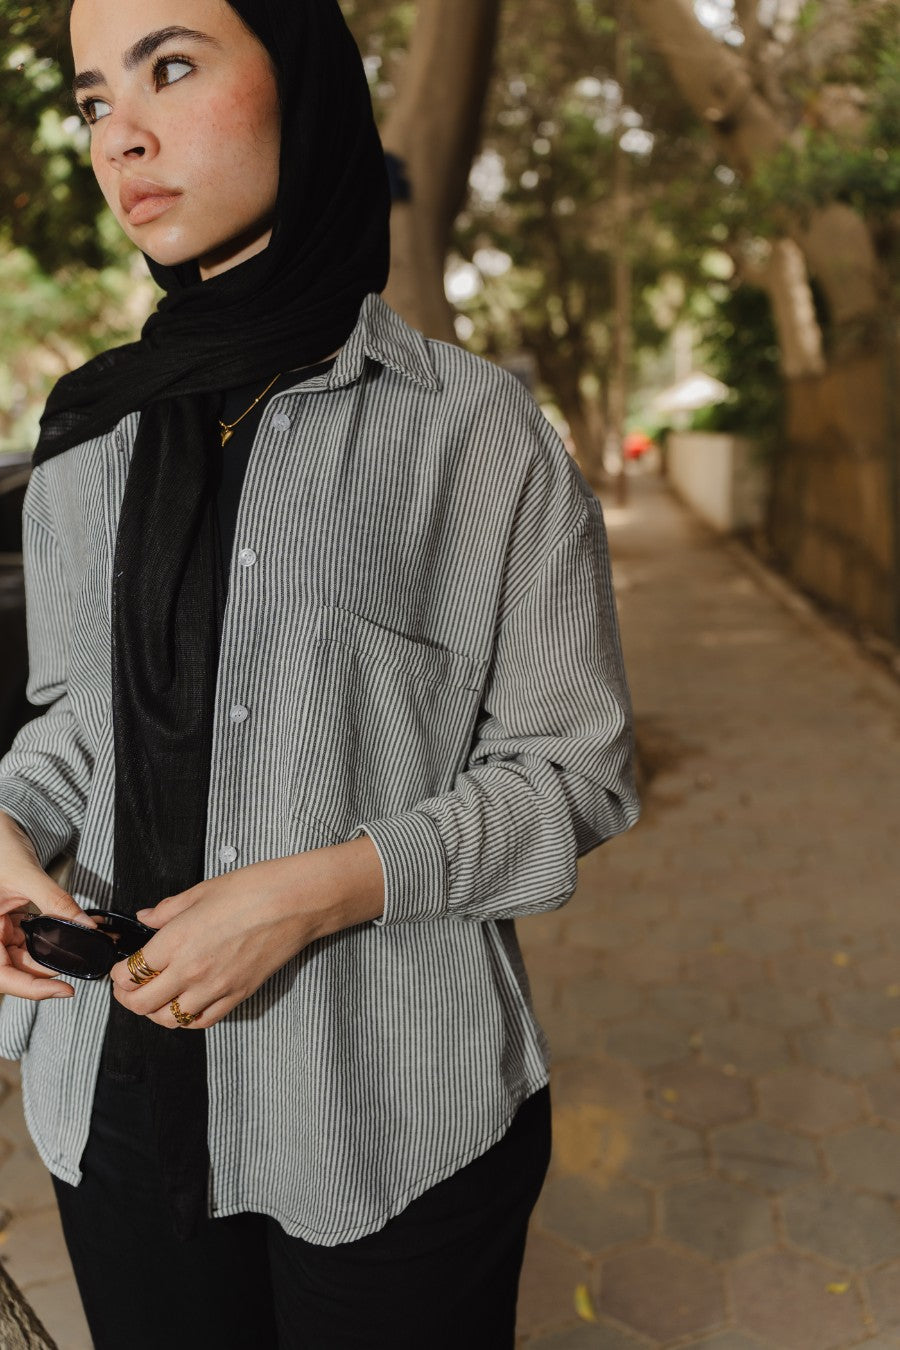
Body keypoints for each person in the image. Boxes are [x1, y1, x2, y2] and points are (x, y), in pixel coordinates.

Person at [0, 1, 640, 1346]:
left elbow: (570, 770)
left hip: (385, 1111)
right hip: (113, 1107)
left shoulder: (469, 431)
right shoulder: (85, 436)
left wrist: (313, 892)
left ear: (300, 80)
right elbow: (75, 721)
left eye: (171, 67)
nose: (124, 133)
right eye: (92, 98)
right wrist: (9, 825)